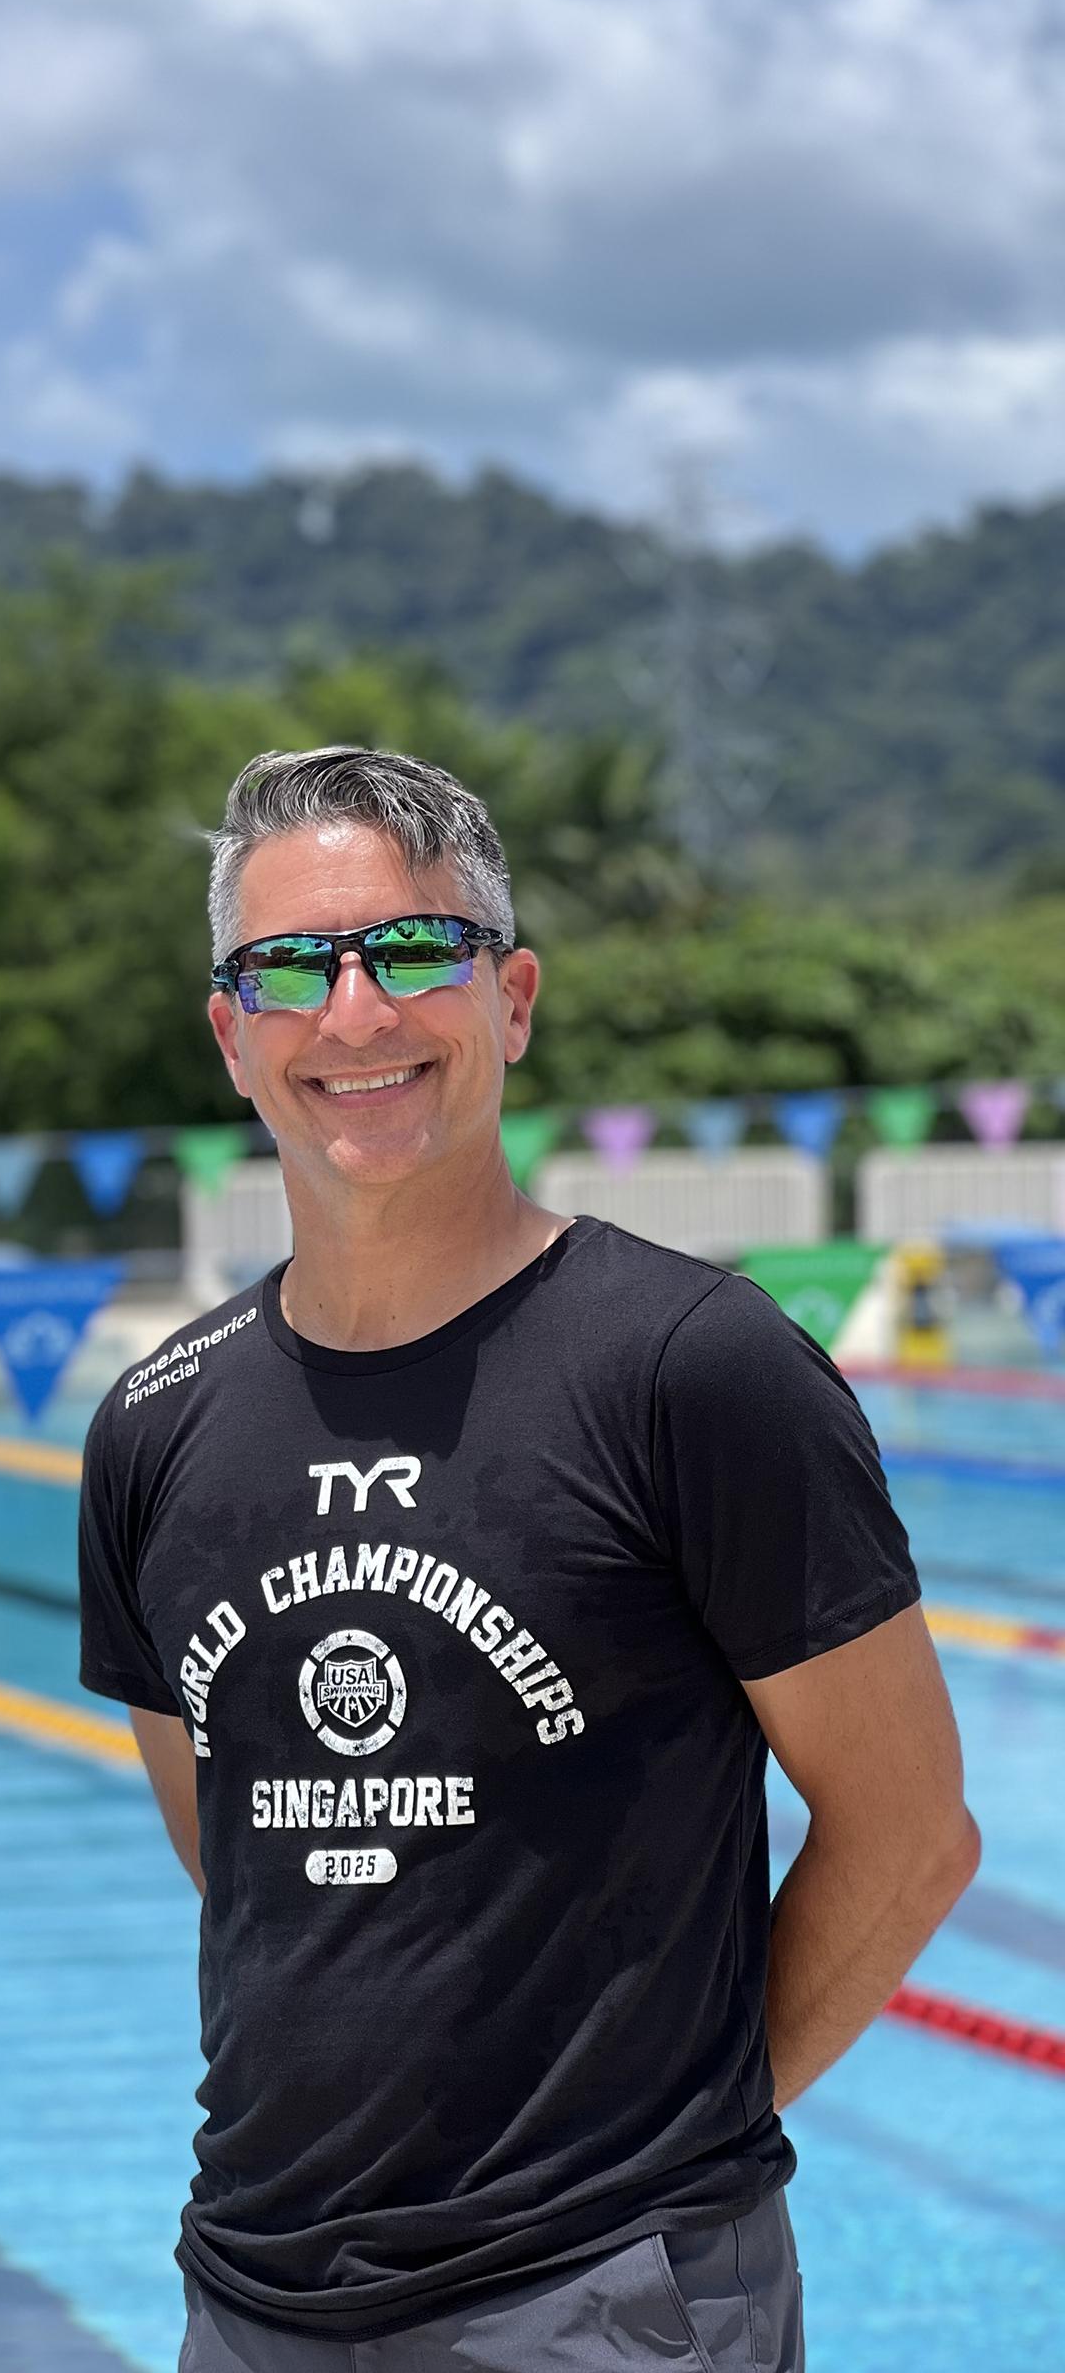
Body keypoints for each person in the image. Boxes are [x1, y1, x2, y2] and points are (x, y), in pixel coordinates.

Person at [77, 745, 978, 2371]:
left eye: (414, 951)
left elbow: (911, 1837)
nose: (354, 1015)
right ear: (231, 1034)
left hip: (603, 2305)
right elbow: (247, 1860)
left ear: (514, 999)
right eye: (289, 968)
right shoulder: (154, 1428)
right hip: (252, 2299)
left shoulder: (690, 1368)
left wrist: (654, 2154)